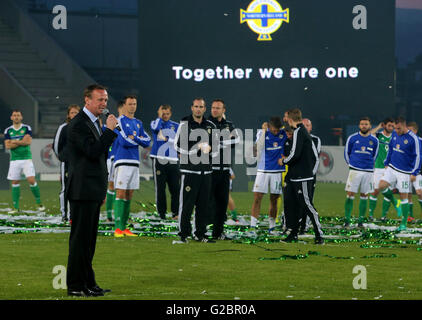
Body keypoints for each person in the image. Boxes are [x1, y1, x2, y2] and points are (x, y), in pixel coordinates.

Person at [65, 84, 118, 297]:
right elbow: (93, 152)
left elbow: (99, 158)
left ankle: (89, 282)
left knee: (89, 241)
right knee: (80, 240)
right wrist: (109, 131)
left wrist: (102, 189)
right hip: (81, 191)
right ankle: (76, 285)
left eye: (105, 100)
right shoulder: (78, 124)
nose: (104, 104)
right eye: (100, 100)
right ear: (87, 100)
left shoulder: (94, 123)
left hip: (92, 189)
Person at [174, 97, 218, 243]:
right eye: (196, 106)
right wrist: (196, 148)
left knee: (203, 206)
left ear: (205, 109)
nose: (198, 109)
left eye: (201, 107)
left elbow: (216, 149)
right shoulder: (184, 124)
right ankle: (183, 234)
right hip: (189, 171)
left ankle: (200, 234)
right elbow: (177, 146)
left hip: (206, 172)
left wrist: (210, 149)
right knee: (186, 205)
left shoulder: (210, 125)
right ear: (192, 108)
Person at [279, 108, 323, 244]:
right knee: (292, 206)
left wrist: (284, 161)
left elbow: (295, 154)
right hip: (294, 176)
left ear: (290, 119)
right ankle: (293, 233)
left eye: (287, 118)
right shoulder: (300, 131)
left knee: (307, 205)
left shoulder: (299, 131)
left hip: (302, 177)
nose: (285, 120)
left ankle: (319, 235)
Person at [113, 95, 151, 237]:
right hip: (122, 161)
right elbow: (123, 141)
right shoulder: (119, 121)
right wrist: (138, 141)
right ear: (125, 105)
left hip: (135, 162)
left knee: (129, 194)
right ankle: (117, 228)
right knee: (121, 193)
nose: (132, 106)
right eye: (130, 104)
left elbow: (147, 141)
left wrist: (134, 138)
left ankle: (124, 227)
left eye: (134, 104)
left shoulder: (138, 123)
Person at [378, 117, 421, 231]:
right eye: (394, 128)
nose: (395, 130)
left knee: (404, 196)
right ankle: (394, 201)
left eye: (398, 128)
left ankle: (403, 223)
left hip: (405, 172)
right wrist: (386, 162)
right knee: (381, 186)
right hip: (392, 167)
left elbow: (418, 156)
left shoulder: (413, 139)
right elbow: (391, 149)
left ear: (403, 125)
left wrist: (414, 172)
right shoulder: (395, 134)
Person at [249, 116, 287, 235]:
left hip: (277, 172)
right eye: (273, 130)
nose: (275, 132)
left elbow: (292, 128)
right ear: (269, 127)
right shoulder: (262, 132)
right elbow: (257, 149)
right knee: (257, 198)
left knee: (274, 199)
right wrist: (264, 131)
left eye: (277, 130)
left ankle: (272, 227)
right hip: (263, 171)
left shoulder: (283, 133)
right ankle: (252, 226)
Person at [208, 99, 239, 240]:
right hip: (209, 168)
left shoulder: (229, 125)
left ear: (223, 110)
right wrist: (224, 140)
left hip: (224, 168)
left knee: (222, 201)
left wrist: (219, 142)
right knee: (207, 201)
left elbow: (236, 140)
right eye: (213, 107)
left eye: (218, 108)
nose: (214, 110)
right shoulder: (206, 123)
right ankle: (202, 229)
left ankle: (218, 232)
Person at [4, 110, 45, 214]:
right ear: (11, 117)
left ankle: (39, 203)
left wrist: (15, 141)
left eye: (18, 115)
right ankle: (16, 207)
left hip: (26, 158)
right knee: (15, 182)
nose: (16, 117)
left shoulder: (27, 128)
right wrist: (21, 141)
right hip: (14, 160)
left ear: (21, 117)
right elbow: (8, 146)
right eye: (14, 115)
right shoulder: (8, 130)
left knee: (31, 180)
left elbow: (28, 142)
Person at [343, 117, 379, 228]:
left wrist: (368, 165)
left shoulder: (375, 140)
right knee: (350, 195)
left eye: (366, 124)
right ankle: (347, 220)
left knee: (364, 195)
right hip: (355, 170)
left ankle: (360, 221)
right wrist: (351, 165)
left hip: (368, 171)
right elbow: (346, 152)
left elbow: (375, 156)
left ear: (370, 126)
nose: (364, 126)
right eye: (362, 124)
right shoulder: (352, 138)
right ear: (359, 125)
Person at [150, 104, 180, 220]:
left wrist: (167, 139)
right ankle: (161, 214)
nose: (165, 116)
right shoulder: (155, 123)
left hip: (173, 160)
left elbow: (178, 142)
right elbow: (156, 128)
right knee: (160, 189)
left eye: (167, 113)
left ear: (170, 113)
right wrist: (159, 117)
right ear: (159, 113)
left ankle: (175, 213)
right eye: (163, 113)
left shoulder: (176, 126)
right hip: (159, 159)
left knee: (175, 189)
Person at [53, 104, 80, 222]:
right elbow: (56, 145)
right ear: (68, 115)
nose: (74, 115)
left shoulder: (83, 127)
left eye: (76, 113)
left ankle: (75, 214)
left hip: (80, 164)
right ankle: (65, 215)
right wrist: (62, 157)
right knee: (65, 188)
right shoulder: (63, 127)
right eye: (72, 113)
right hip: (67, 163)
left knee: (78, 188)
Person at [368, 118, 396, 221]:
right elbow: (369, 134)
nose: (391, 128)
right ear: (384, 125)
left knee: (388, 193)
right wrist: (379, 127)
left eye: (393, 126)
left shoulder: (394, 138)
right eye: (389, 125)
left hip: (390, 169)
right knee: (375, 191)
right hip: (378, 168)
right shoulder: (378, 136)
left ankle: (384, 216)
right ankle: (370, 215)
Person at [299, 118, 321, 233]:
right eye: (304, 125)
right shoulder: (295, 138)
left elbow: (315, 158)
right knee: (295, 201)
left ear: (311, 127)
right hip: (297, 176)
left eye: (308, 125)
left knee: (308, 202)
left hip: (309, 176)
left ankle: (305, 225)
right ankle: (292, 224)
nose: (306, 127)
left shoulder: (315, 140)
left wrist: (311, 174)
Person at [104, 101, 125, 223]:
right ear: (120, 109)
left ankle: (120, 216)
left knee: (123, 188)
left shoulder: (130, 123)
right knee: (112, 186)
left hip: (122, 159)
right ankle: (109, 215)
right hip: (113, 158)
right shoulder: (114, 123)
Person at [404, 121, 422, 222]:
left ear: (415, 131)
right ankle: (410, 216)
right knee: (408, 194)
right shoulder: (405, 142)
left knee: (419, 193)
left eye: (411, 131)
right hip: (405, 172)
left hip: (417, 173)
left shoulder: (420, 141)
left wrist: (416, 172)